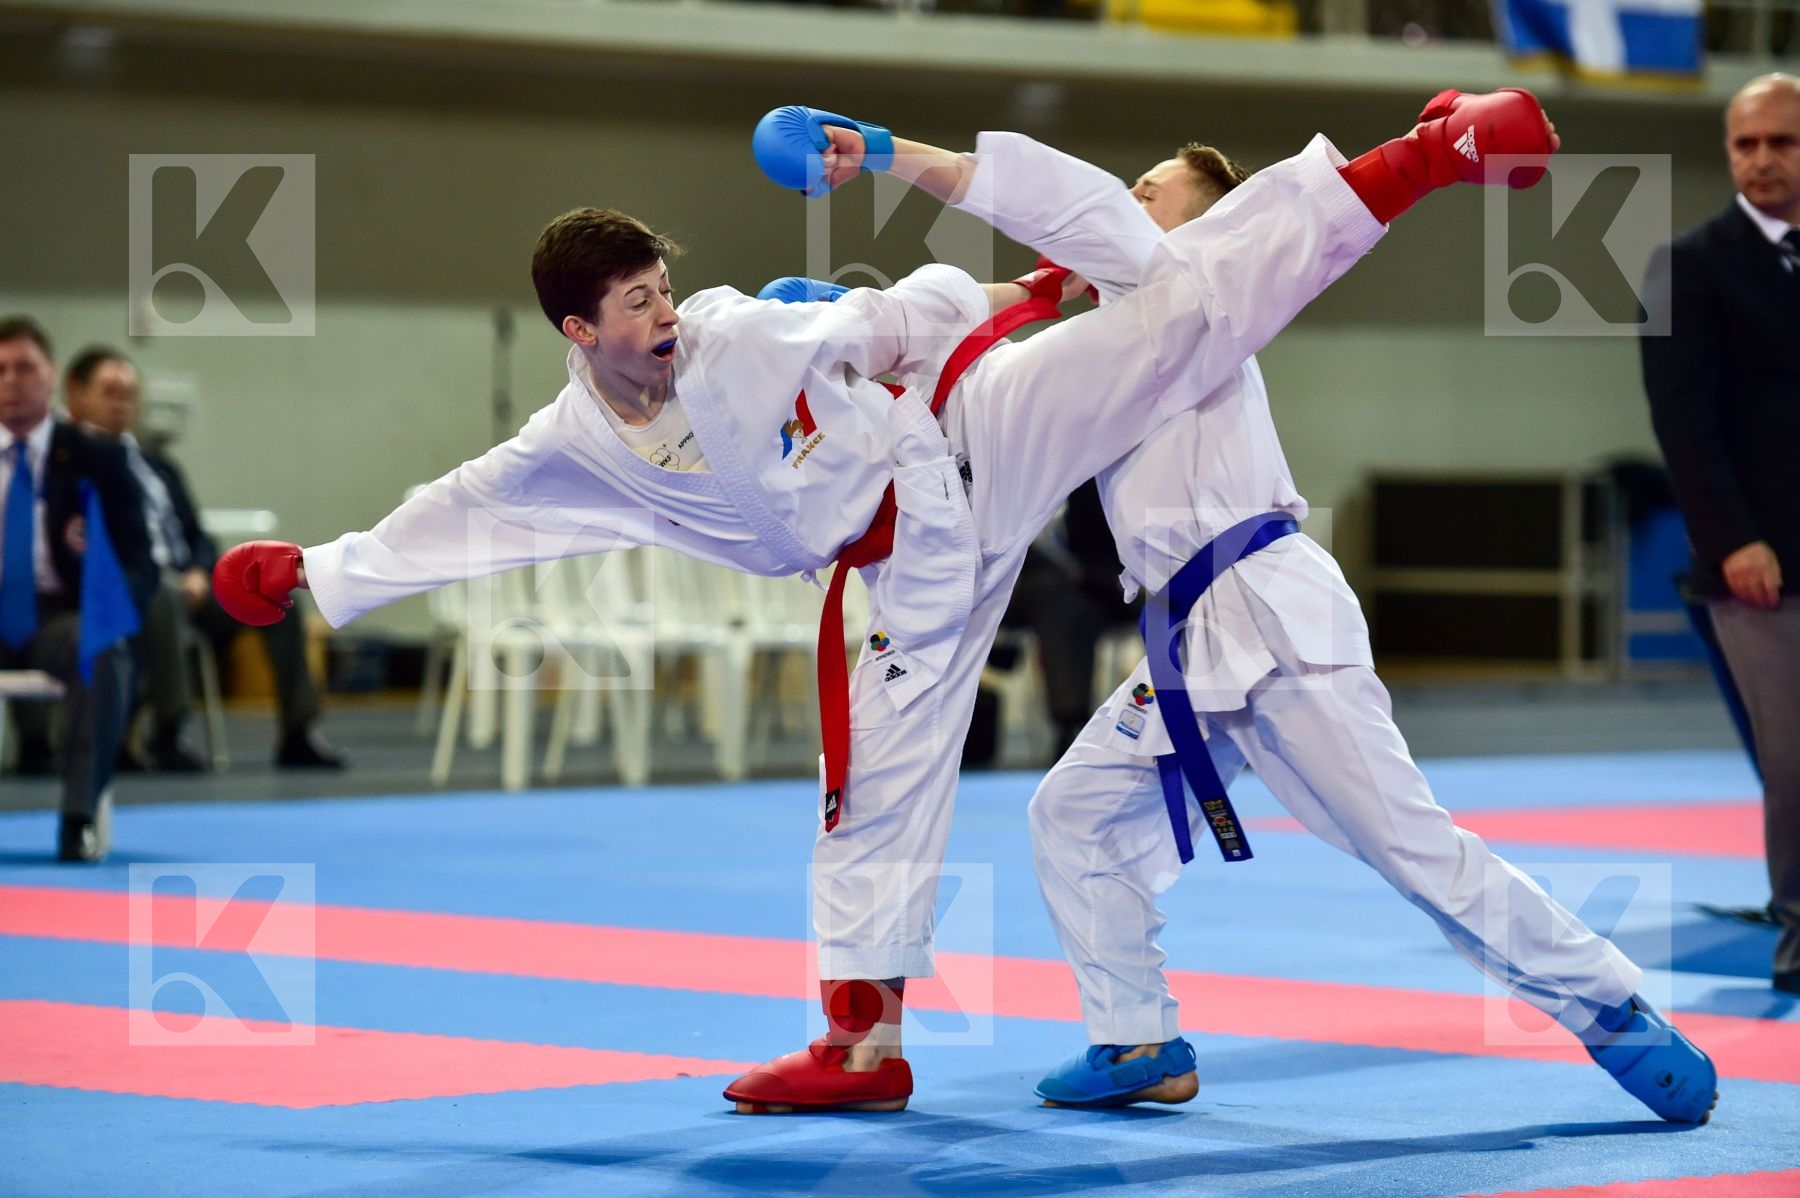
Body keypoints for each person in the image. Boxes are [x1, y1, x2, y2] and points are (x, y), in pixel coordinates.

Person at [213, 90, 1558, 1113]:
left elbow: (900, 323)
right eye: (635, 302)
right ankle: (866, 1042)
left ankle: (1425, 157)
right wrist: (322, 571)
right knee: (866, 782)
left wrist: (1026, 290)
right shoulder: (573, 446)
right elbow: (466, 509)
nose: (665, 314)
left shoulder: (739, 330)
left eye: (664, 286)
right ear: (579, 330)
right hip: (892, 573)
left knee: (1176, 308)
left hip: (960, 441)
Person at [939, 131, 1720, 1124]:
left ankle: (1615, 1009)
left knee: (1408, 846)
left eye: (1151, 189)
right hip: (1191, 637)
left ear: (1210, 227)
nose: (1127, 199)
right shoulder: (1108, 343)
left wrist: (1433, 145)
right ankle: (1135, 1035)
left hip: (1267, 611)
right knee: (1073, 814)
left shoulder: (1204, 292)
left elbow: (1305, 217)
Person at [1642, 72, 1800, 998]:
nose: (1762, 159)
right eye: (1746, 144)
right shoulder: (1686, 266)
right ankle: (1798, 938)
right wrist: (1734, 537)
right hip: (1756, 563)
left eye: (1781, 141)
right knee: (1794, 761)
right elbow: (1681, 418)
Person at [62, 348, 343, 772]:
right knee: (164, 594)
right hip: (132, 593)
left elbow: (195, 533)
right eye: (109, 391)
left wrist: (199, 568)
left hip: (189, 588)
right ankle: (168, 731)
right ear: (76, 395)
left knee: (272, 592)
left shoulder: (156, 465)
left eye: (129, 393)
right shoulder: (67, 467)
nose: (121, 402)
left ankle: (297, 731)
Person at [0, 317, 154, 862]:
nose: (11, 381)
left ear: (52, 378)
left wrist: (113, 612)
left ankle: (78, 817)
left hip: (60, 615)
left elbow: (140, 560)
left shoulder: (96, 458)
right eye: (0, 370)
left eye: (25, 368)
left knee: (103, 646)